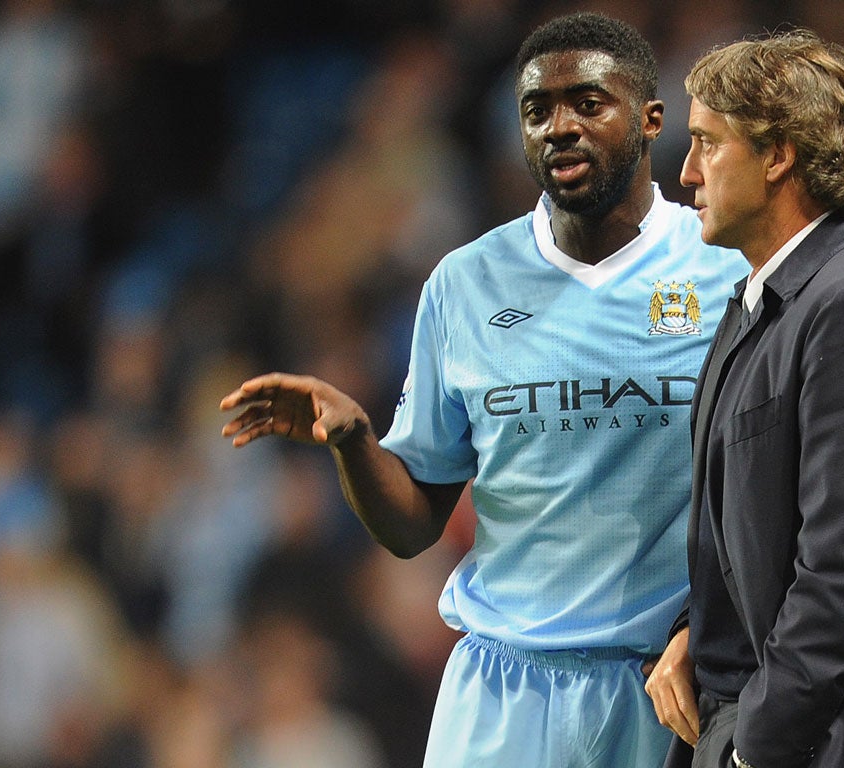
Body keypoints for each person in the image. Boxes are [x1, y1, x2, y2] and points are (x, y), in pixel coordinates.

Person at [221, 11, 751, 767]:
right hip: (501, 689)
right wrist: (353, 442)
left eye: (588, 104)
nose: (559, 127)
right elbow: (411, 527)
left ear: (651, 119)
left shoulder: (726, 269)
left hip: (664, 688)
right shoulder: (464, 285)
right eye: (538, 111)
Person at [644, 30, 844, 768]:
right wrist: (697, 632)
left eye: (708, 144)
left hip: (828, 744)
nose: (686, 172)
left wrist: (756, 745)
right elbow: (744, 536)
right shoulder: (761, 303)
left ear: (778, 155)